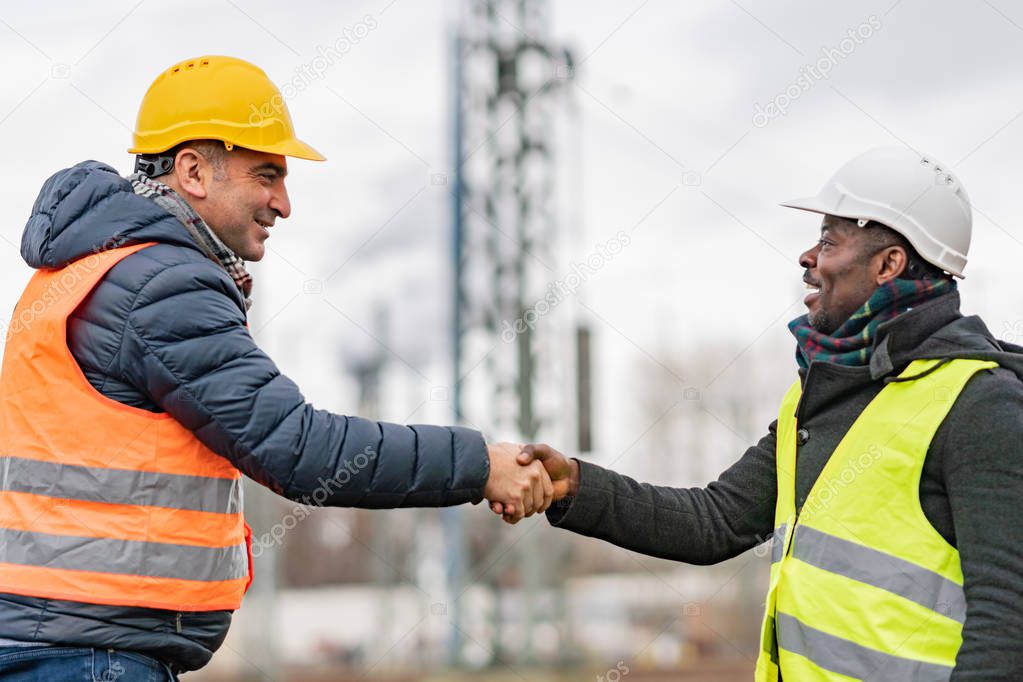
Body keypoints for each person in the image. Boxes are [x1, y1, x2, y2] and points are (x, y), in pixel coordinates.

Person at [0, 55, 552, 680]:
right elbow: (297, 448)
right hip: (84, 653)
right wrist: (480, 465)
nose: (283, 204)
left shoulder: (82, 271)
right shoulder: (158, 283)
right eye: (266, 174)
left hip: (61, 638)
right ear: (193, 171)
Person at [511, 147, 1023, 680]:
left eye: (829, 241)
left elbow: (1007, 627)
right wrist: (575, 485)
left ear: (888, 264)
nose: (808, 258)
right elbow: (717, 521)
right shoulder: (817, 397)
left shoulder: (978, 404)